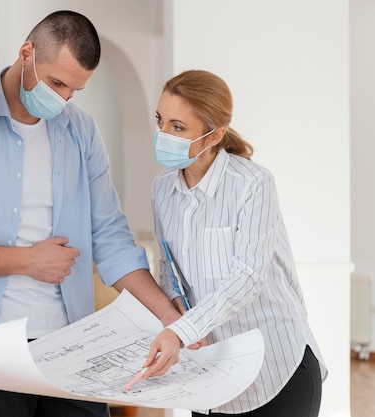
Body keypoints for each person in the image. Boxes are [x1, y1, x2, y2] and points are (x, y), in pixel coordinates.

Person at [0, 10, 182, 417]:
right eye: (56, 83)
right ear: (27, 53)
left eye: (73, 91)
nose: (61, 100)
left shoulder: (80, 131)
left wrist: (170, 317)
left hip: (71, 342)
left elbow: (110, 238)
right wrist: (30, 260)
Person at [141, 69, 327, 416]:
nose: (163, 134)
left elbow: (248, 276)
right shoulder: (161, 190)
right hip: (214, 374)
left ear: (214, 136)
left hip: (277, 369)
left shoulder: (253, 184)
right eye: (160, 120)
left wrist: (183, 330)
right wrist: (176, 307)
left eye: (178, 127)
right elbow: (169, 267)